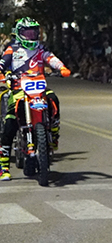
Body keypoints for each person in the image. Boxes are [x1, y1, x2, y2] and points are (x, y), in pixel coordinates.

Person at [0, 18, 71, 181]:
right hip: (18, 89)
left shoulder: (41, 48)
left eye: (34, 33)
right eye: (27, 33)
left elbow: (51, 58)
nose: (31, 36)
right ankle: (4, 166)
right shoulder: (13, 49)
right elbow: (2, 63)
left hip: (38, 87)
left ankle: (53, 132)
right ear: (19, 33)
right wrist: (3, 74)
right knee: (9, 124)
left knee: (54, 99)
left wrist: (62, 67)